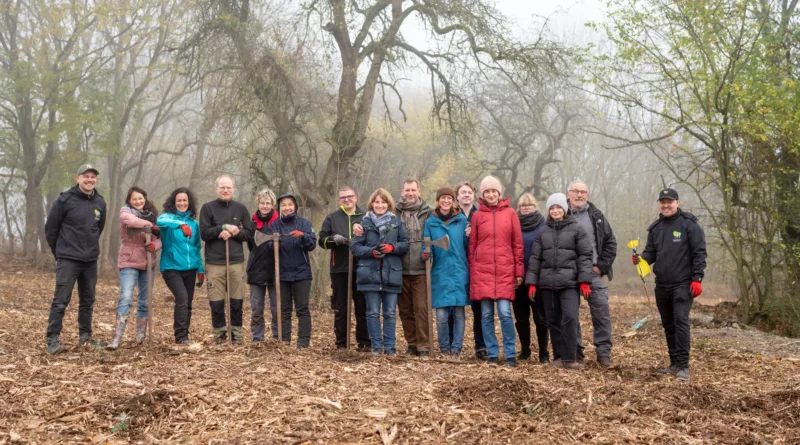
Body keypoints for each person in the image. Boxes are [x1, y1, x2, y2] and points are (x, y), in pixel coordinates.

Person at [634, 188, 706, 381]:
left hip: (683, 284)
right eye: (663, 202)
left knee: (680, 320)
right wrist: (641, 259)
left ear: (677, 202)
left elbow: (699, 253)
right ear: (659, 204)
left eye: (670, 202)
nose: (666, 205)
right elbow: (650, 253)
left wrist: (697, 279)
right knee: (668, 324)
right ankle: (674, 363)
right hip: (662, 285)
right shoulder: (655, 228)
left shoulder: (689, 224)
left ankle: (684, 366)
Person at [44, 164, 108, 354]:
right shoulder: (65, 200)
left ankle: (85, 337)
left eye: (93, 177)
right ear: (77, 178)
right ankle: (52, 339)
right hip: (68, 259)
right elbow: (51, 229)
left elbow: (98, 229)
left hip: (90, 260)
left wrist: (90, 249)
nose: (90, 180)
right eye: (86, 176)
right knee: (61, 300)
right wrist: (60, 253)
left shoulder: (100, 202)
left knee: (88, 300)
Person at [526, 193, 593, 371]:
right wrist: (532, 283)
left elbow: (585, 256)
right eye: (552, 208)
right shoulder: (543, 232)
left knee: (570, 318)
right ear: (549, 211)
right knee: (553, 320)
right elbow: (535, 258)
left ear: (564, 209)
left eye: (558, 207)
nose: (555, 211)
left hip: (569, 283)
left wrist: (584, 281)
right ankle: (558, 357)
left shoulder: (577, 229)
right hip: (547, 284)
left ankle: (570, 358)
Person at [468, 176, 523, 367]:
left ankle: (509, 354)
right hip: (482, 272)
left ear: (499, 193)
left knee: (505, 313)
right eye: (487, 192)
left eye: (494, 191)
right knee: (485, 315)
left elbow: (517, 245)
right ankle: (492, 353)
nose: (491, 195)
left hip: (505, 271)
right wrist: (473, 269)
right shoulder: (477, 217)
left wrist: (519, 272)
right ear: (482, 195)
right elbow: (472, 246)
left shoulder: (510, 214)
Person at [350, 188, 409, 355]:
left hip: (391, 273)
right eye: (377, 202)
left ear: (388, 204)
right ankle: (377, 348)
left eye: (383, 202)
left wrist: (392, 247)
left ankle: (390, 348)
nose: (380, 205)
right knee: (373, 312)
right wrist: (371, 252)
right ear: (372, 204)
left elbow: (405, 244)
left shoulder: (396, 223)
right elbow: (354, 247)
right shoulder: (363, 223)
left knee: (390, 313)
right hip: (370, 274)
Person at [567, 180, 618, 368]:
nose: (579, 195)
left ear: (587, 195)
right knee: (570, 314)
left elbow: (611, 243)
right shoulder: (560, 214)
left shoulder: (596, 216)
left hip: (592, 272)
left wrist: (600, 267)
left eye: (583, 192)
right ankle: (575, 352)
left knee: (601, 313)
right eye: (576, 191)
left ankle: (603, 354)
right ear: (568, 193)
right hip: (568, 273)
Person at [199, 175, 254, 344]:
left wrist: (235, 232)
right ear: (216, 189)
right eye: (222, 187)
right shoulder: (207, 208)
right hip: (215, 262)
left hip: (236, 262)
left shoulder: (241, 209)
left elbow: (249, 233)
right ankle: (220, 336)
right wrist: (221, 229)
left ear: (233, 189)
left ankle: (236, 335)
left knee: (236, 301)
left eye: (228, 187)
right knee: (216, 302)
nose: (225, 190)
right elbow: (204, 233)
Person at [107, 186, 162, 349]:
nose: (138, 201)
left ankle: (140, 337)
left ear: (145, 198)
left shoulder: (152, 214)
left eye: (140, 198)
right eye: (134, 199)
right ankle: (117, 337)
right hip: (129, 260)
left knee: (145, 301)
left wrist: (154, 245)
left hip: (148, 261)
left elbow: (159, 237)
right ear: (129, 201)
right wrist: (148, 225)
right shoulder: (126, 212)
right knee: (126, 297)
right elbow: (131, 222)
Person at [319, 186, 371, 351]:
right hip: (339, 269)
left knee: (363, 307)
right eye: (343, 197)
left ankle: (364, 342)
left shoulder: (366, 217)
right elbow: (321, 240)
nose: (346, 200)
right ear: (339, 200)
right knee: (341, 307)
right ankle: (342, 343)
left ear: (356, 197)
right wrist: (333, 239)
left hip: (362, 268)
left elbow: (373, 239)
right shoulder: (332, 218)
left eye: (349, 196)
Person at [422, 186, 469, 357]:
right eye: (443, 198)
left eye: (449, 198)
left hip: (459, 271)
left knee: (458, 312)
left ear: (453, 200)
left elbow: (467, 245)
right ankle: (444, 348)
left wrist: (470, 236)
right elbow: (426, 245)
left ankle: (456, 348)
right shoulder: (430, 222)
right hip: (440, 273)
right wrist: (426, 252)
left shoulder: (461, 220)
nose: (446, 201)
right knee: (441, 314)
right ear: (438, 200)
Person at [268, 193, 317, 348]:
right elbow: (267, 247)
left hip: (302, 273)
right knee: (284, 310)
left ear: (295, 206)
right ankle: (284, 341)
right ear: (279, 207)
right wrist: (274, 241)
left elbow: (312, 245)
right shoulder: (274, 225)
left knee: (302, 309)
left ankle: (303, 343)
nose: (287, 208)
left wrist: (303, 236)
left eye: (290, 204)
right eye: (283, 205)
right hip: (281, 274)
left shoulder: (304, 224)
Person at [157, 187, 204, 344]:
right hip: (171, 267)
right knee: (182, 297)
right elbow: (160, 221)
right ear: (174, 202)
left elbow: (197, 247)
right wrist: (180, 225)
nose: (182, 203)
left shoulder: (194, 224)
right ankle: (180, 336)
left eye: (185, 200)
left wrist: (201, 269)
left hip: (190, 268)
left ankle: (185, 335)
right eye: (179, 200)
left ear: (189, 202)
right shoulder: (167, 218)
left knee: (188, 302)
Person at [395, 179, 433, 356]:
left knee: (421, 309)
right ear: (402, 191)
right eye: (407, 190)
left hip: (420, 268)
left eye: (413, 190)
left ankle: (423, 345)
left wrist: (429, 252)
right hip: (399, 269)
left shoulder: (428, 213)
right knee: (405, 310)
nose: (410, 193)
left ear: (419, 191)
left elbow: (435, 235)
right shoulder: (395, 212)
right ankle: (412, 343)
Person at [513, 193, 550, 362]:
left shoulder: (543, 224)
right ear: (519, 208)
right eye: (523, 205)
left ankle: (543, 352)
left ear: (535, 207)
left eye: (529, 204)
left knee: (540, 317)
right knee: (521, 318)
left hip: (538, 279)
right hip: (518, 279)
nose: (526, 207)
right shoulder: (514, 224)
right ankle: (525, 350)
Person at [455, 181, 487, 360]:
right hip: (457, 266)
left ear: (474, 195)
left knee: (479, 309)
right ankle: (453, 345)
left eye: (469, 192)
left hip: (478, 267)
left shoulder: (481, 214)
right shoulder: (451, 215)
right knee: (455, 306)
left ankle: (481, 346)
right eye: (462, 192)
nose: (466, 195)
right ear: (457, 196)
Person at [246, 188, 280, 343]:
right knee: (257, 308)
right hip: (256, 270)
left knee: (276, 308)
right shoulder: (251, 223)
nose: (265, 206)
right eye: (262, 203)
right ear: (258, 204)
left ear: (272, 204)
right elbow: (250, 245)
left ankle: (277, 337)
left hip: (277, 271)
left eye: (268, 203)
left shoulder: (280, 222)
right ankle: (257, 338)